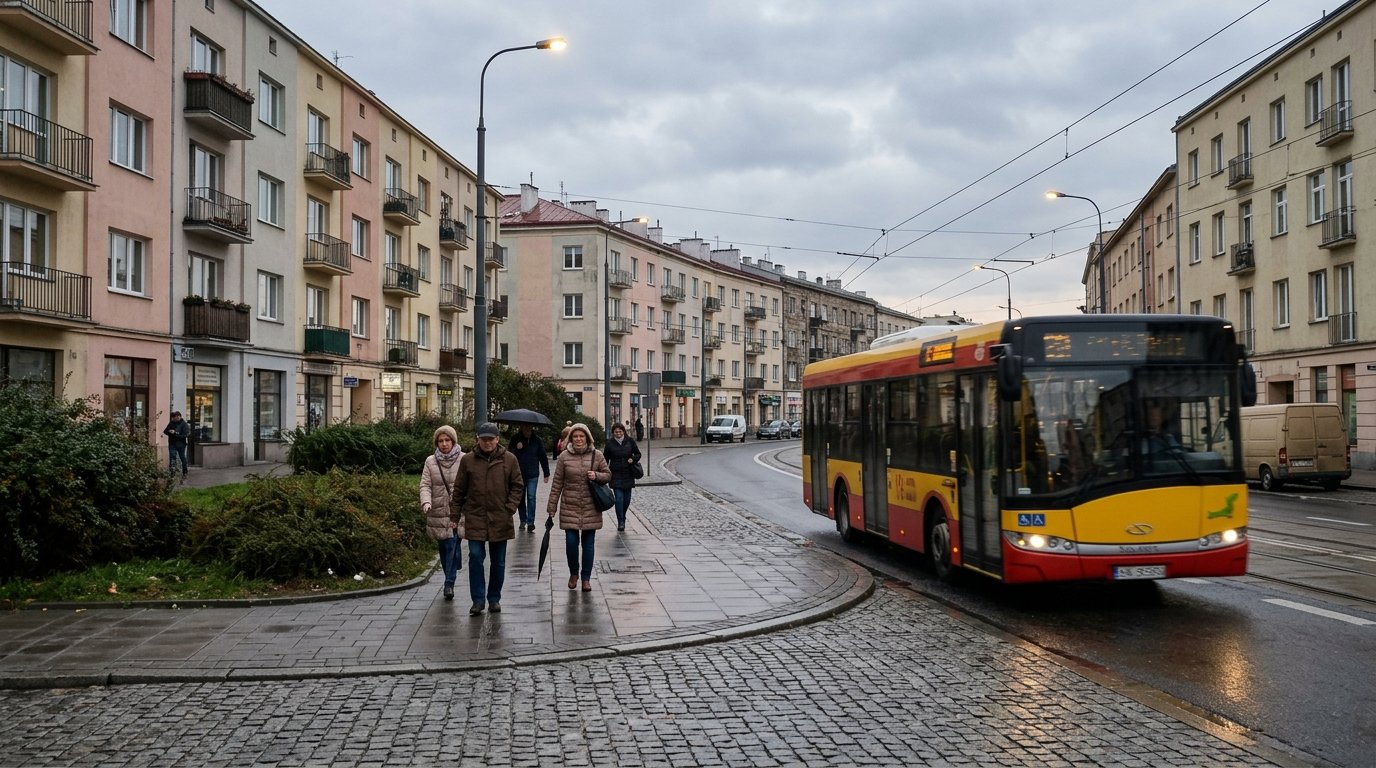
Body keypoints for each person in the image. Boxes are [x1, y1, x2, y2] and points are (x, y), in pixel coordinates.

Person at [452, 421, 523, 615]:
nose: (487, 443)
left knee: (498, 561)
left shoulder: (509, 459)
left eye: (491, 439)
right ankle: (477, 600)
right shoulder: (468, 460)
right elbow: (459, 489)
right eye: (483, 439)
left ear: (498, 439)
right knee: (475, 557)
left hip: (500, 518)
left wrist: (509, 508)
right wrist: (455, 515)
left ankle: (494, 598)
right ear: (478, 440)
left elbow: (518, 486)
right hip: (475, 516)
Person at [547, 422, 611, 592]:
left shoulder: (596, 455)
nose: (578, 439)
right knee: (571, 543)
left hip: (591, 506)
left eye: (581, 436)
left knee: (588, 544)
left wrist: (596, 475)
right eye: (575, 436)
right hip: (571, 505)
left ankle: (586, 578)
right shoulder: (564, 457)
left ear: (587, 437)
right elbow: (557, 483)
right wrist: (551, 506)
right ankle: (573, 572)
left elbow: (608, 475)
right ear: (570, 438)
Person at [419, 425, 464, 601]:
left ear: (453, 441)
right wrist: (426, 501)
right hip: (437, 510)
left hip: (457, 511)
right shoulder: (430, 461)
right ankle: (451, 573)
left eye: (447, 440)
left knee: (452, 543)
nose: (444, 444)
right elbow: (425, 484)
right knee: (445, 547)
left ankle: (449, 583)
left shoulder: (464, 459)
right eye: (440, 441)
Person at [509, 423, 550, 532]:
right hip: (519, 474)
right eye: (525, 427)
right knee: (521, 498)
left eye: (529, 427)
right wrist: (517, 449)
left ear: (532, 428)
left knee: (531, 497)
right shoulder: (515, 439)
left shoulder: (537, 440)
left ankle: (531, 522)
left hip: (533, 474)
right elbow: (509, 456)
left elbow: (543, 456)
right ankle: (523, 520)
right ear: (521, 428)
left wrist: (546, 473)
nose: (527, 429)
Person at [603, 422, 642, 532]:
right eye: (616, 432)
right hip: (615, 474)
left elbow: (638, 454)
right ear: (613, 433)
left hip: (628, 473)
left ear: (623, 431)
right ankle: (621, 521)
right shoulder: (610, 443)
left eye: (620, 431)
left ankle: (623, 515)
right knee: (619, 499)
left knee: (627, 500)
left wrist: (633, 459)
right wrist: (603, 470)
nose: (618, 433)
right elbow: (605, 458)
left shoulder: (630, 441)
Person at [163, 411, 190, 477]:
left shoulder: (184, 424)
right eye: (173, 418)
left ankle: (185, 472)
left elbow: (185, 435)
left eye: (174, 417)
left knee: (182, 458)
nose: (173, 419)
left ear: (179, 417)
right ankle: (172, 473)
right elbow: (165, 431)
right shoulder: (172, 423)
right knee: (172, 458)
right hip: (172, 444)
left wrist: (175, 433)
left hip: (181, 444)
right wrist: (169, 431)